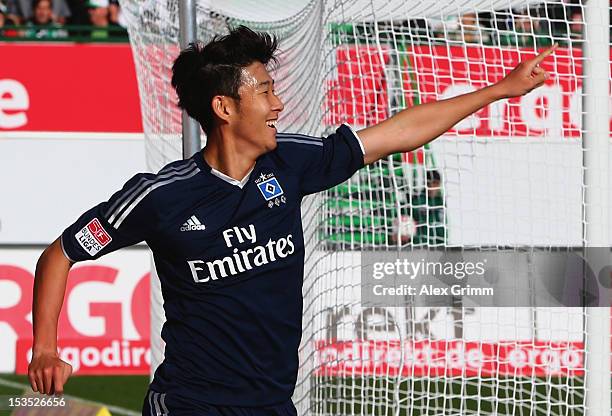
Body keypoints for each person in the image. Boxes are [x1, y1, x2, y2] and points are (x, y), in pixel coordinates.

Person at [27, 25, 556, 415]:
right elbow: (61, 254)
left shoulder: (290, 163)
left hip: (272, 405)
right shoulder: (162, 196)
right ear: (226, 108)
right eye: (263, 90)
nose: (278, 103)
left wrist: (498, 91)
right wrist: (46, 347)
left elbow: (397, 133)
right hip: (190, 402)